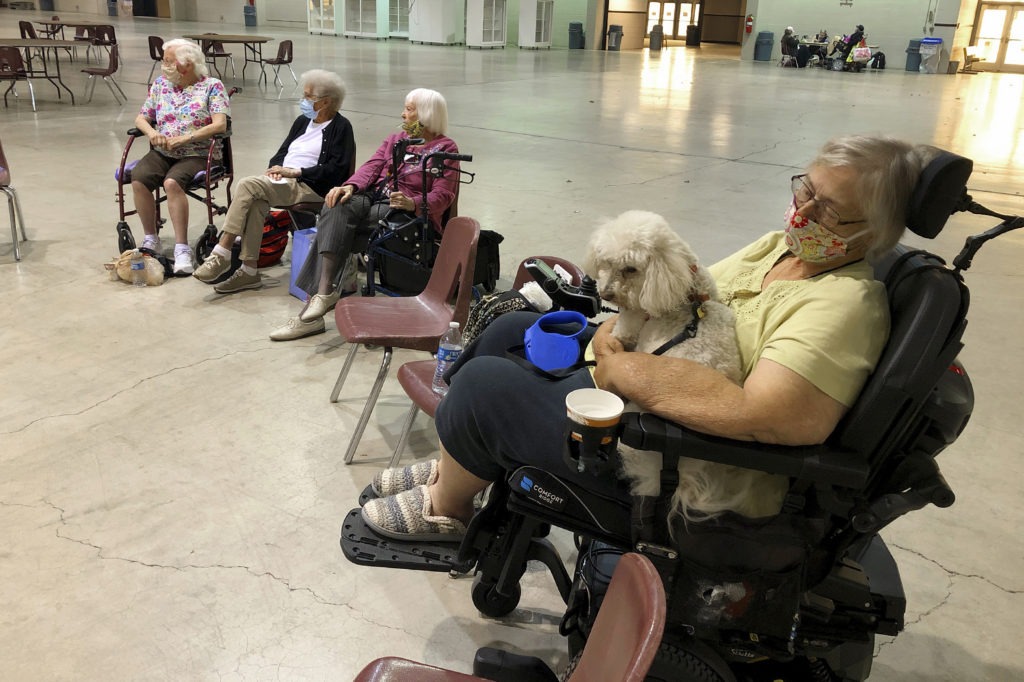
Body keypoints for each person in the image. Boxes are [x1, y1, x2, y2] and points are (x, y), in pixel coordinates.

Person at [359, 135, 939, 542]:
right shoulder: (778, 248)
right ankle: (455, 465)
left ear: (875, 230)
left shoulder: (845, 305)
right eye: (803, 190)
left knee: (486, 385)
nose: (803, 213)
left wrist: (619, 370)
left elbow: (779, 417)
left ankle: (448, 509)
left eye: (829, 210)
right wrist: (612, 330)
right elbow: (681, 292)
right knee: (510, 324)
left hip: (678, 458)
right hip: (657, 385)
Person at [269, 88, 460, 341]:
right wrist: (349, 186)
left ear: (427, 113)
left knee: (339, 229)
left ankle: (311, 311)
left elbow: (445, 196)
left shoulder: (445, 149)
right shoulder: (396, 139)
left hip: (402, 210)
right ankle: (324, 294)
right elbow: (372, 166)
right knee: (335, 205)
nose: (403, 114)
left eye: (409, 109)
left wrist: (413, 203)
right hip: (374, 196)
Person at [191, 70, 356, 294]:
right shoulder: (302, 121)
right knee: (256, 202)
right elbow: (281, 153)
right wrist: (276, 170)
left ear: (326, 101)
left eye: (309, 97)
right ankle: (249, 271)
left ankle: (222, 251)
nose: (303, 101)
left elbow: (336, 171)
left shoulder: (341, 127)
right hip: (285, 182)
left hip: (311, 186)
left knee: (248, 185)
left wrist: (295, 172)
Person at [131, 39, 230, 275]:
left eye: (168, 61)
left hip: (199, 152)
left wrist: (186, 138)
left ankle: (181, 248)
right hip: (164, 150)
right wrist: (153, 133)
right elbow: (141, 118)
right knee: (139, 177)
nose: (163, 66)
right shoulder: (160, 85)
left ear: (186, 65)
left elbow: (220, 124)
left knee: (172, 183)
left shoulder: (211, 86)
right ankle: (150, 237)